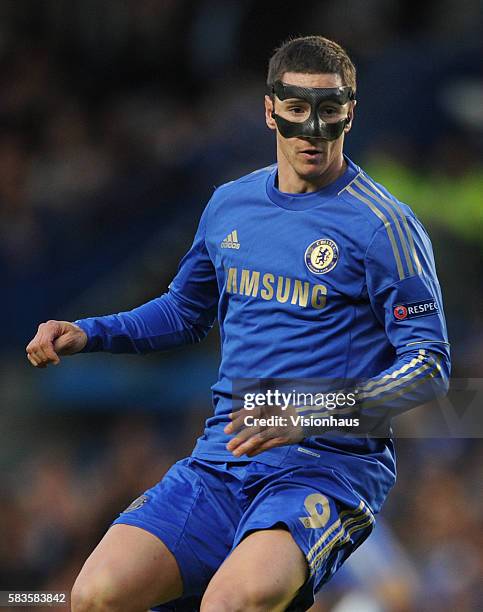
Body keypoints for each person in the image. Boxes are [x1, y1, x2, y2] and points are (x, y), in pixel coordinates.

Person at [26, 36, 450, 612]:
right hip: (222, 462)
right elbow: (184, 310)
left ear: (351, 111)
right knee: (95, 595)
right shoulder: (230, 204)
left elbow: (429, 369)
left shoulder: (385, 228)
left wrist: (310, 413)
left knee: (232, 603)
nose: (314, 130)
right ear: (270, 109)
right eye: (298, 110)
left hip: (327, 469)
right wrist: (90, 331)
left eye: (330, 112)